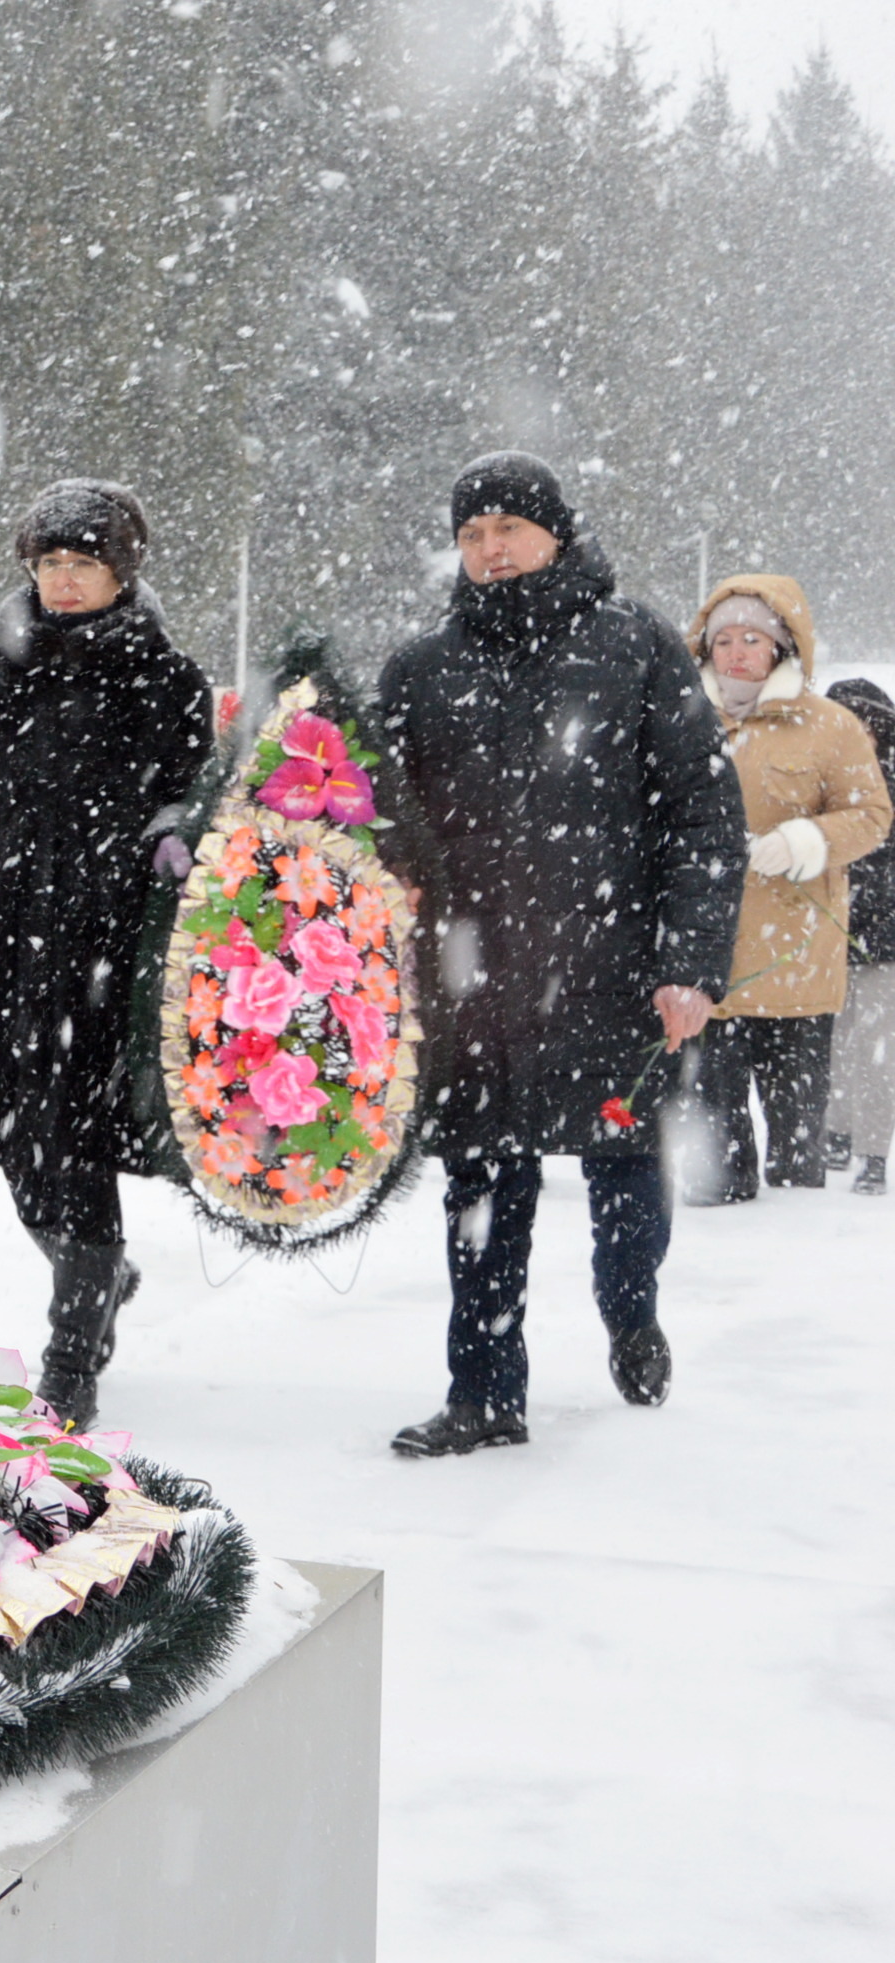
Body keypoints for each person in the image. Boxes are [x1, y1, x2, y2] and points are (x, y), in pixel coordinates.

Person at [373, 453, 746, 1457]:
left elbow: (702, 813)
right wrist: (390, 869)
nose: (489, 550)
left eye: (507, 529)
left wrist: (689, 960)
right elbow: (380, 813)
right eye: (470, 533)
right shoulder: (420, 665)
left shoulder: (633, 646)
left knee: (621, 1158)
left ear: (554, 533)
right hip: (471, 978)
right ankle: (483, 1390)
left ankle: (628, 1308)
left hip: (610, 967)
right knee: (478, 1183)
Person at [0, 480, 212, 1426]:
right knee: (20, 1151)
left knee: (75, 1148)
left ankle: (72, 1355)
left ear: (121, 572)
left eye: (82, 564)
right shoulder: (0, 670)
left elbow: (201, 785)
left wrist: (179, 829)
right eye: (50, 565)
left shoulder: (167, 676)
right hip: (12, 936)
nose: (65, 582)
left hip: (112, 946)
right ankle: (101, 1275)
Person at [676, 579, 889, 1200]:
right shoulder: (677, 718)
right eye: (723, 639)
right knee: (713, 1163)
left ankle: (796, 1272)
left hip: (796, 966)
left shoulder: (832, 727)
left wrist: (807, 841)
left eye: (753, 638)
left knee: (797, 1158)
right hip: (705, 972)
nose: (736, 652)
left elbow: (871, 816)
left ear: (782, 647)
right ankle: (726, 1271)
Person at [820, 674, 895, 1195]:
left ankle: (873, 1152)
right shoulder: (818, 782)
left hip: (885, 946)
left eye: (867, 722)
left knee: (876, 1053)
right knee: (829, 1047)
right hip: (824, 937)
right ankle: (834, 1133)